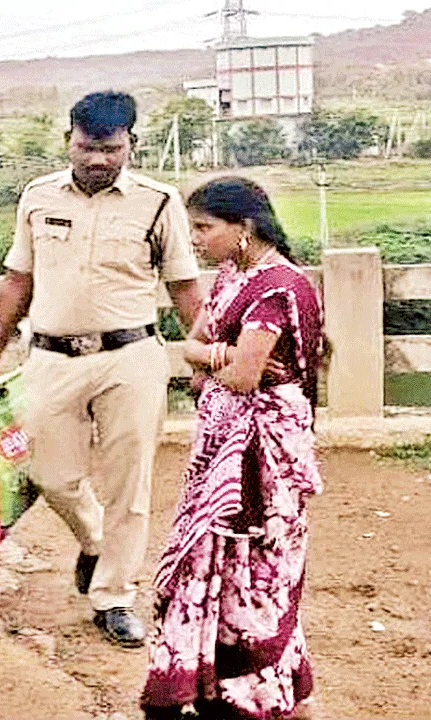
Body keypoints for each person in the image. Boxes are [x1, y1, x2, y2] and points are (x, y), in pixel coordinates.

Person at [0, 91, 204, 647]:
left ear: (131, 144)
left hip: (131, 357)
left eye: (111, 149)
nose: (98, 159)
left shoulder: (158, 202)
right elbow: (18, 280)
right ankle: (95, 540)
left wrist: (202, 359)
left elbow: (184, 288)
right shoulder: (38, 196)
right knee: (49, 473)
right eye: (86, 147)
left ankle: (115, 596)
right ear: (68, 142)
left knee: (130, 482)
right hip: (51, 358)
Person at [141, 177, 324, 720]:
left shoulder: (277, 288)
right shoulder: (230, 276)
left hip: (261, 449)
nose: (195, 239)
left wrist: (212, 359)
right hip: (222, 441)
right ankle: (228, 684)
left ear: (243, 227)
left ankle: (254, 691)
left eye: (204, 228)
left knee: (255, 557)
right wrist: (220, 355)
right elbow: (195, 345)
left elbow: (242, 376)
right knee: (215, 553)